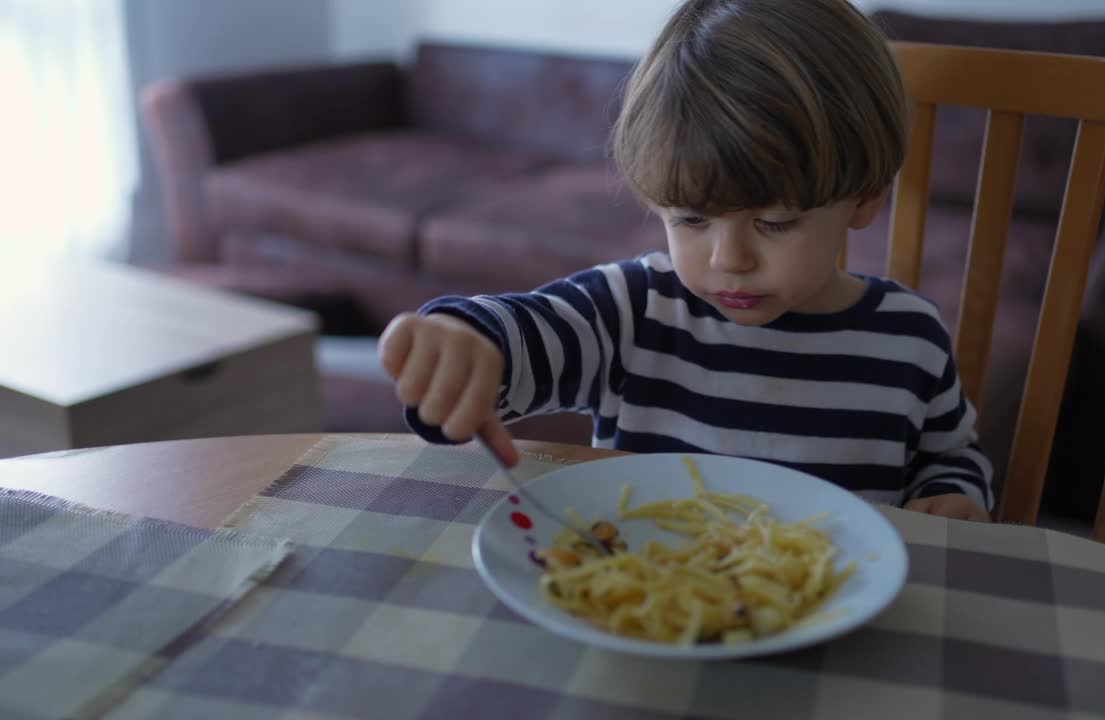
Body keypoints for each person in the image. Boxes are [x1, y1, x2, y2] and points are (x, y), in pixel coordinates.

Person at [378, 0, 993, 521]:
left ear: (865, 200)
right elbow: (526, 337)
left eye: (775, 223)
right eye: (691, 219)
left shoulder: (910, 338)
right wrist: (465, 345)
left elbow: (949, 455)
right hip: (652, 602)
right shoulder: (634, 310)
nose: (730, 259)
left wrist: (952, 494)